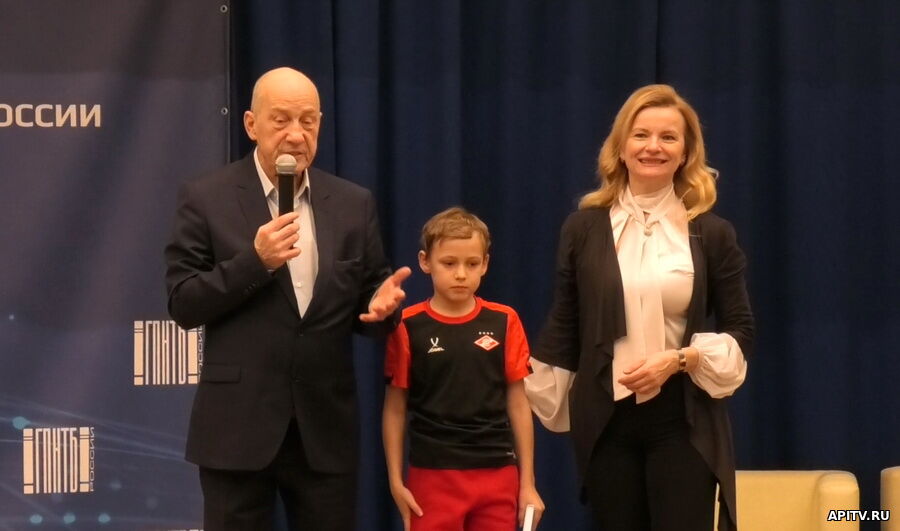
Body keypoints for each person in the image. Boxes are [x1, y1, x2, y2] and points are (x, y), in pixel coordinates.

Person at [165, 66, 410, 531]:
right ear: (251, 124)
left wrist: (381, 311)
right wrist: (255, 262)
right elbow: (183, 302)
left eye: (308, 121)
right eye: (281, 120)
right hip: (238, 428)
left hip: (324, 429)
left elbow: (369, 298)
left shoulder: (352, 203)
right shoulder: (207, 198)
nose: (296, 135)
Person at [527, 84, 753, 531]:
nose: (653, 146)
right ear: (621, 147)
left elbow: (740, 328)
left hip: (682, 421)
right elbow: (565, 323)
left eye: (668, 137)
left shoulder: (712, 233)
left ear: (685, 152)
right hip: (607, 422)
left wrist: (681, 360)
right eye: (641, 134)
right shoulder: (582, 228)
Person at [382, 207, 545, 531]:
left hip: (498, 473)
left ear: (485, 264)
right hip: (432, 475)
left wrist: (527, 483)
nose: (460, 274)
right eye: (449, 263)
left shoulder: (504, 320)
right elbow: (395, 407)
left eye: (471, 264)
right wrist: (395, 480)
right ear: (425, 261)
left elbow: (518, 403)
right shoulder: (407, 325)